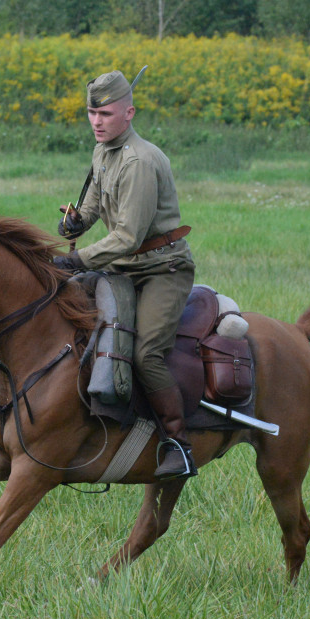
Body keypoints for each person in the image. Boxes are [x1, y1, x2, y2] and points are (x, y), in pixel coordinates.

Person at [53, 67, 197, 480]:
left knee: (145, 352)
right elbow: (96, 207)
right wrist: (77, 223)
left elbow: (129, 237)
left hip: (160, 270)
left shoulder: (138, 161)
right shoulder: (103, 152)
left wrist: (76, 261)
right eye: (91, 114)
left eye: (107, 114)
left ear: (129, 113)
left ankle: (178, 443)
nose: (97, 122)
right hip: (120, 267)